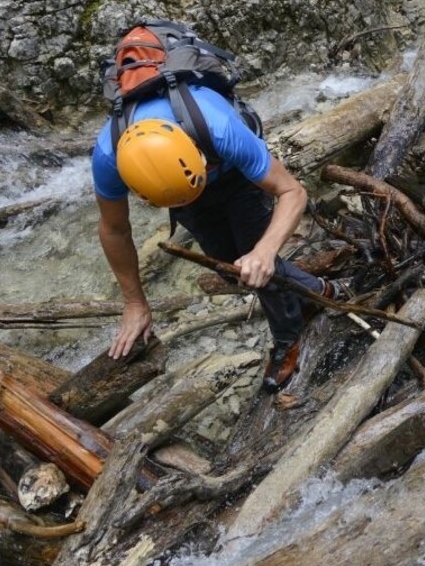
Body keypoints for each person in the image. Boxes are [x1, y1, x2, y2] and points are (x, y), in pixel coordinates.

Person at [92, 83, 344, 392]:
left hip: (235, 176)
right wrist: (134, 302)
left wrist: (264, 250)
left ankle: (288, 336)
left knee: (257, 263)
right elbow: (114, 229)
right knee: (230, 267)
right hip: (183, 193)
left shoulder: (219, 128)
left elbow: (292, 191)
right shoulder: (108, 157)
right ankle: (318, 291)